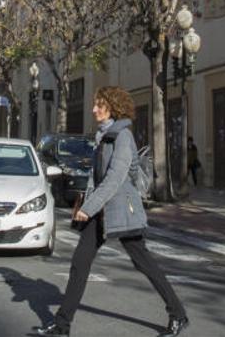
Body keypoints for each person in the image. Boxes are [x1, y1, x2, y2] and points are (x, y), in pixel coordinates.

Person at [38, 87, 188, 337]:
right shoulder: (103, 136)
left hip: (121, 210)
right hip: (101, 209)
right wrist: (86, 203)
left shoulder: (122, 137)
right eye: (95, 104)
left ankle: (178, 314)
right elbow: (96, 178)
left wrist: (88, 208)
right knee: (80, 262)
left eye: (99, 104)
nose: (94, 109)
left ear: (113, 107)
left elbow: (115, 177)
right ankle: (62, 326)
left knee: (143, 262)